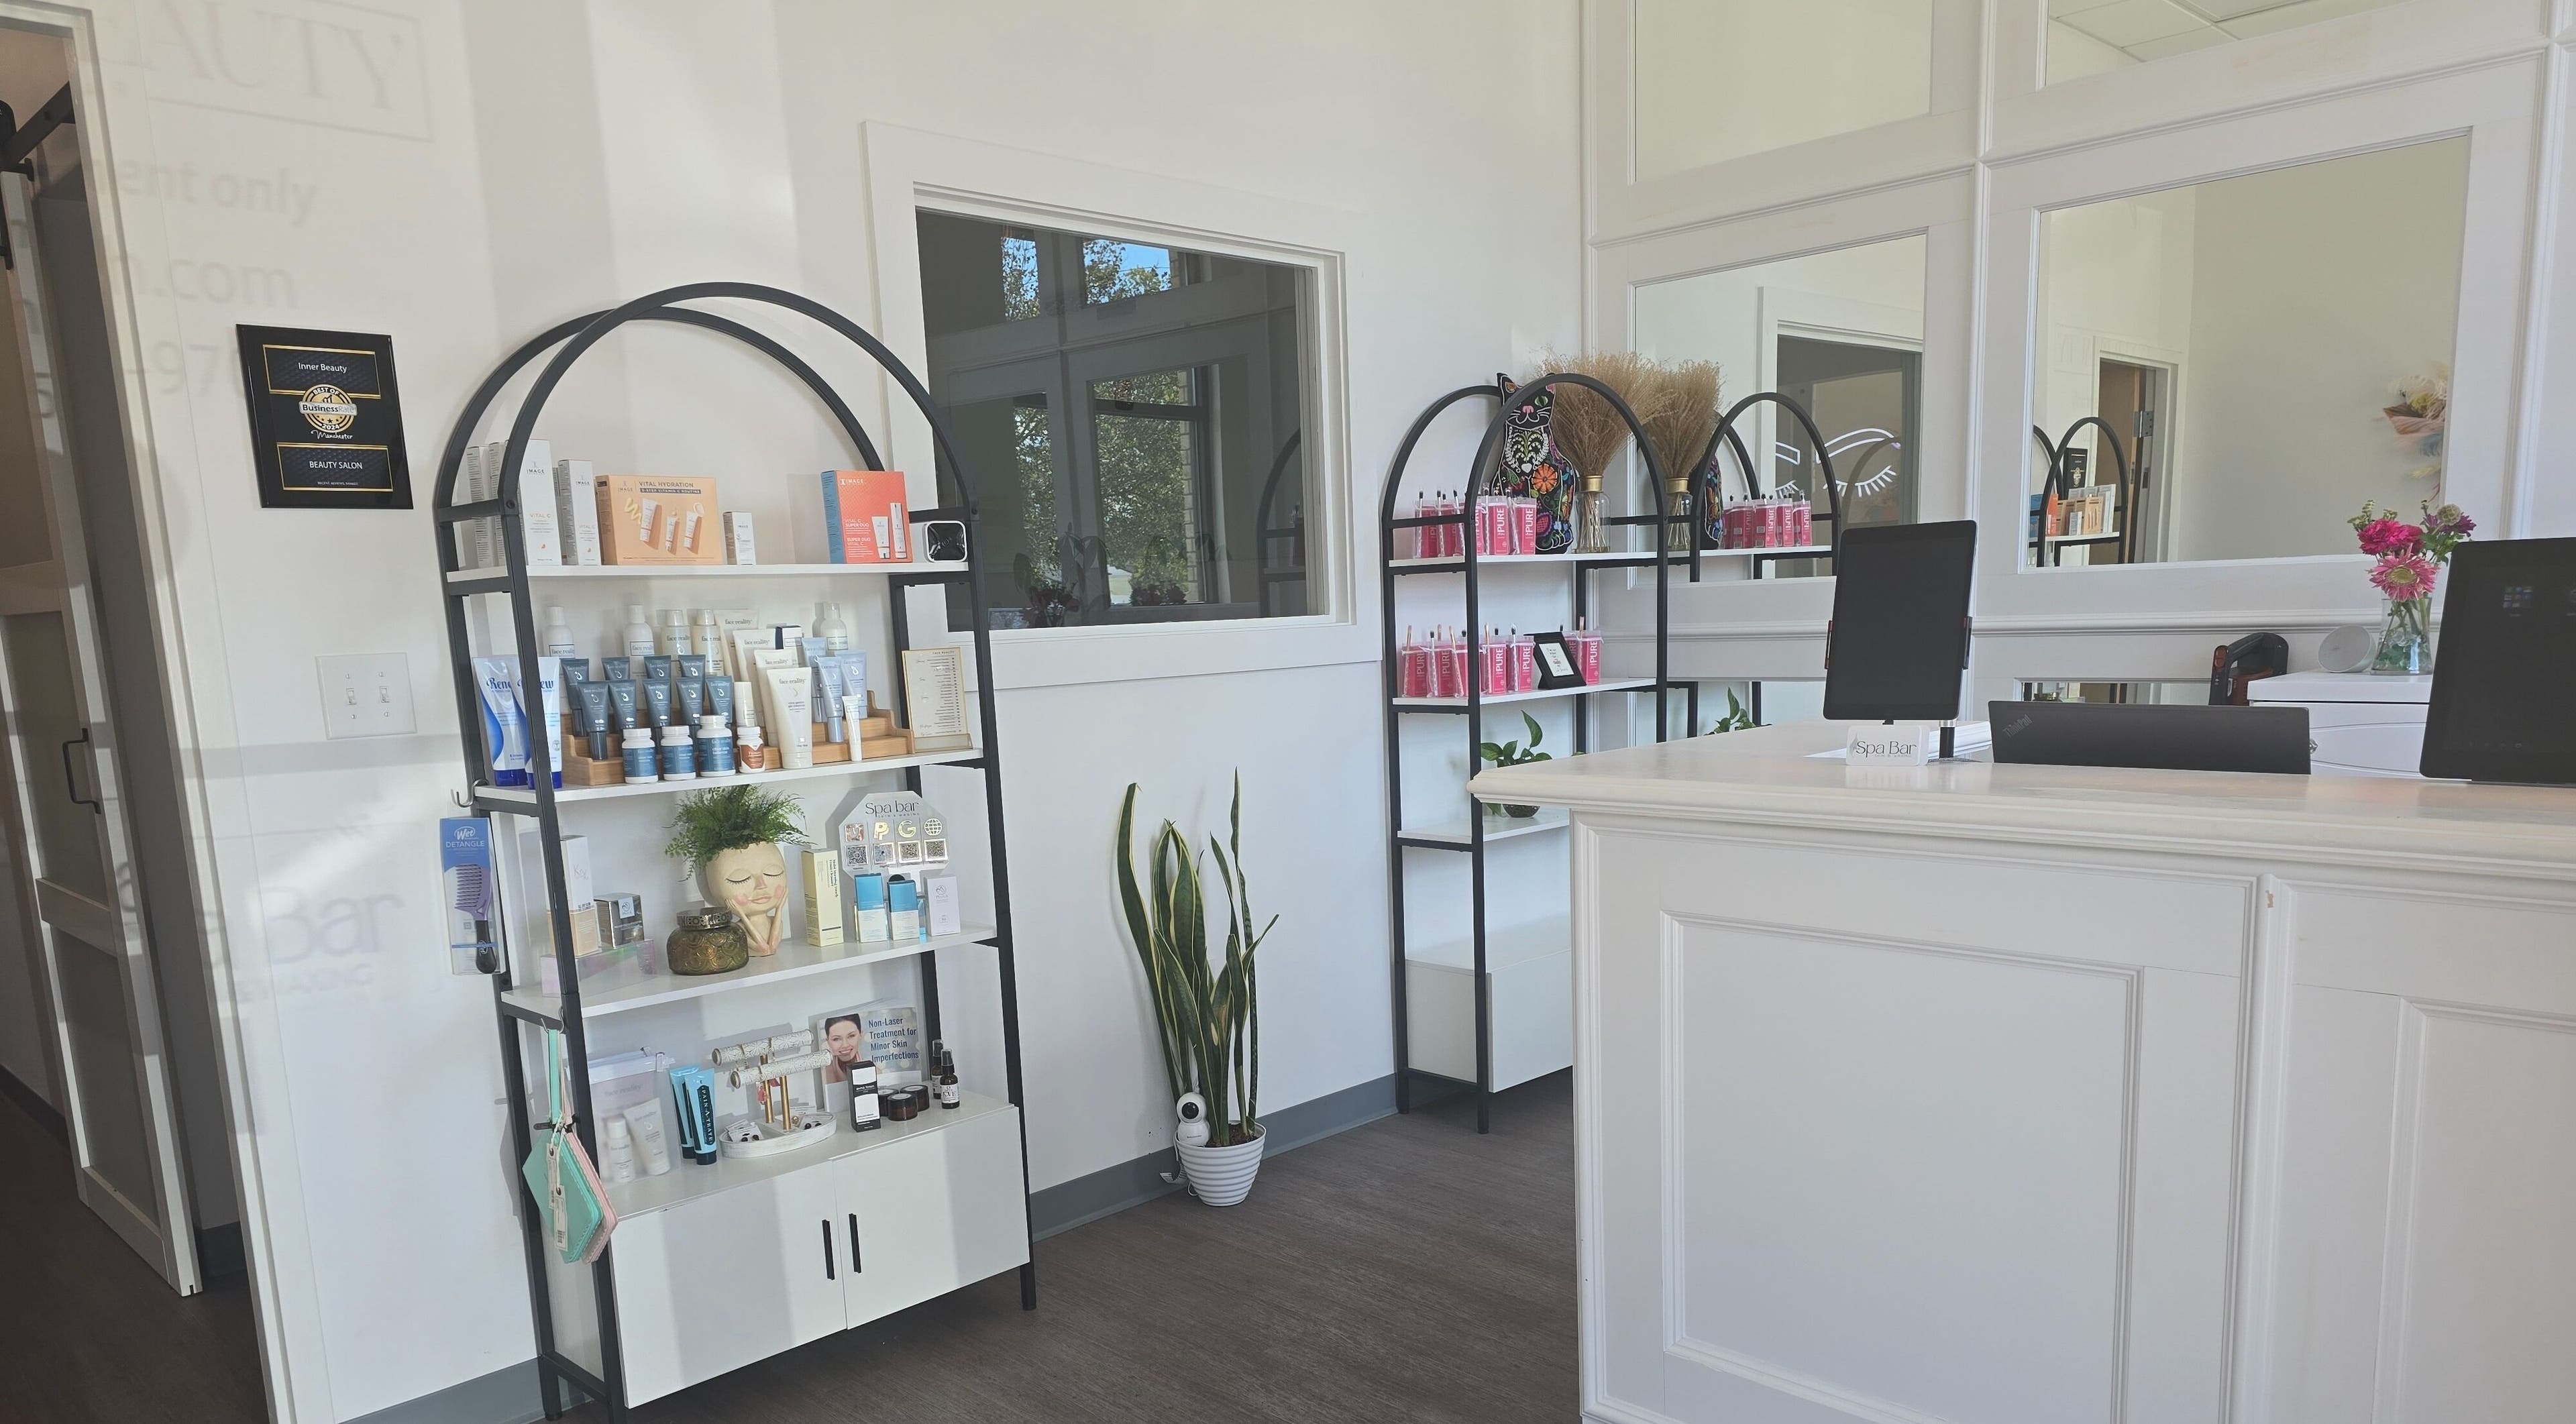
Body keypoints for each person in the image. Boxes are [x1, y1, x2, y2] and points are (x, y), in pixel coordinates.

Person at [820, 1014, 867, 1083]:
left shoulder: (876, 1073)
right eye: (836, 1039)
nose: (845, 1045)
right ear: (828, 1042)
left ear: (861, 1035)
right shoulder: (824, 1076)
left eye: (851, 1036)